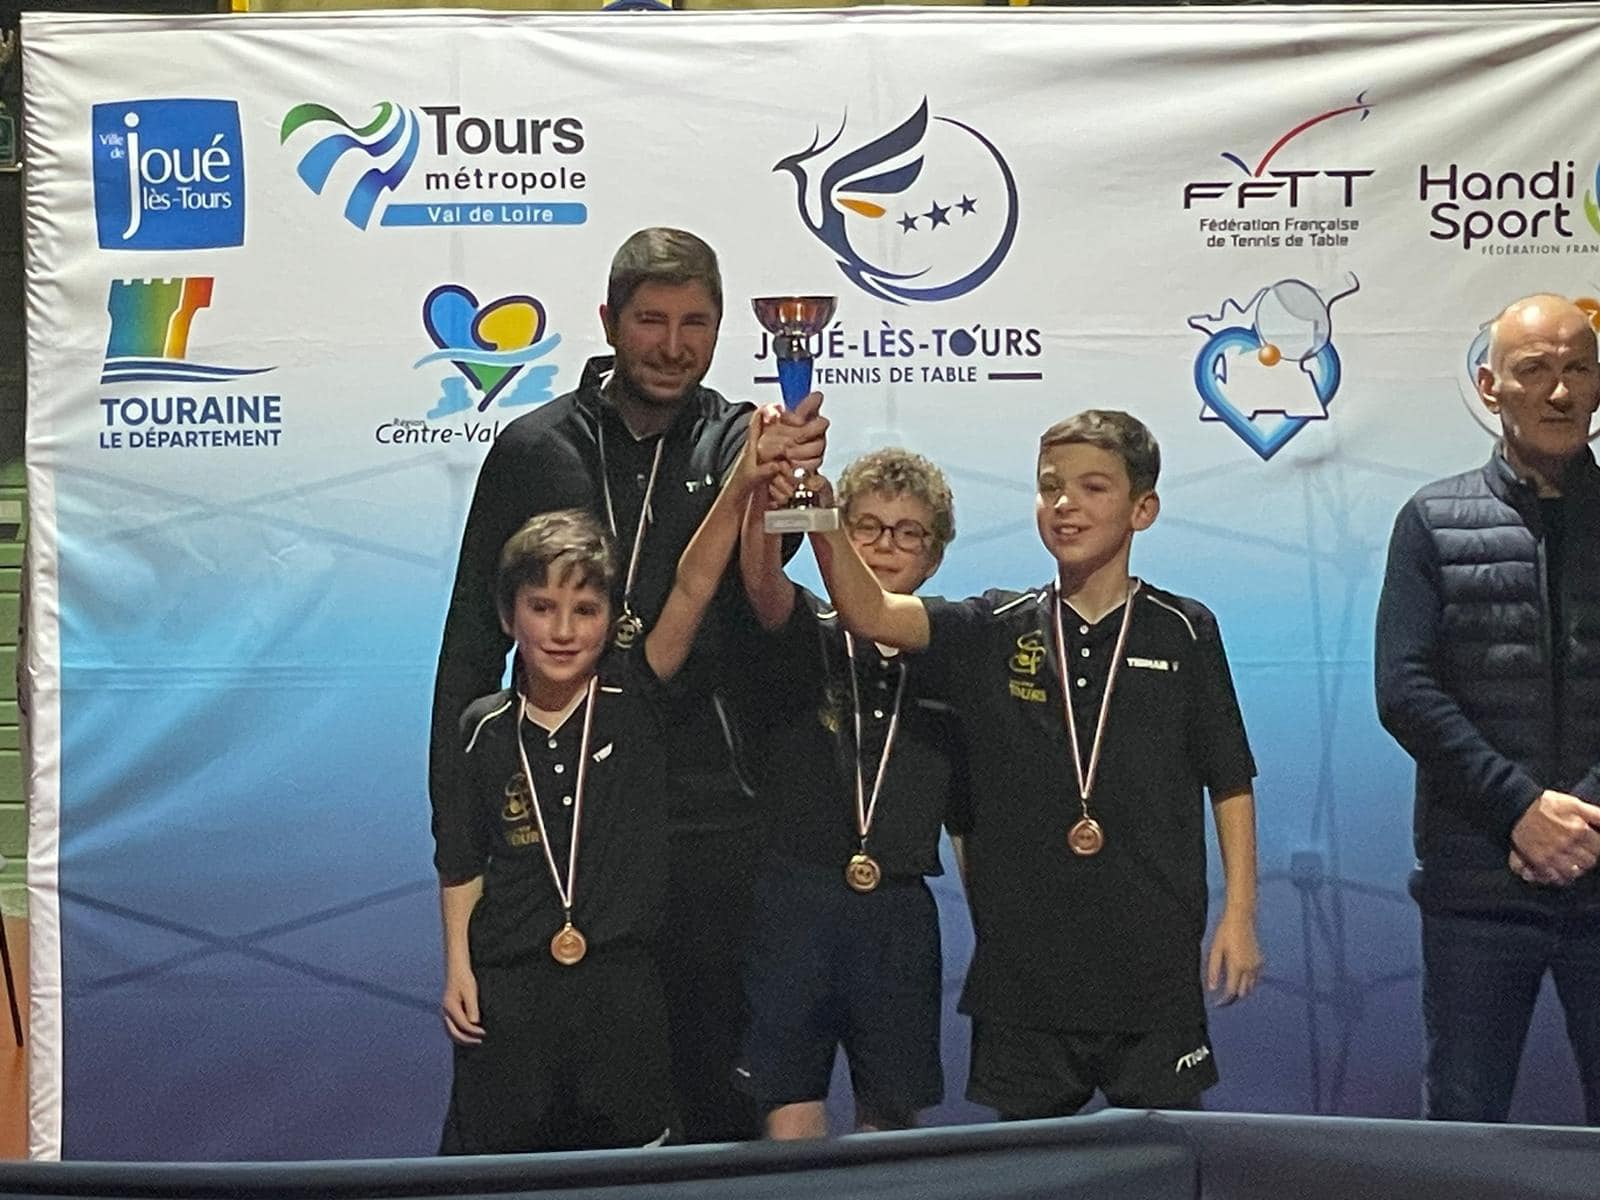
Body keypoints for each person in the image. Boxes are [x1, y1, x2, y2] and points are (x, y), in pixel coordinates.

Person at [429, 228, 825, 1142]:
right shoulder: (533, 448)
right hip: (555, 823)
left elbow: (768, 607)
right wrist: (457, 836)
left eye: (696, 324)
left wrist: (784, 489)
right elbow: (468, 649)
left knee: (710, 1091)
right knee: (525, 1097)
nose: (673, 345)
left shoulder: (747, 442)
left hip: (708, 816)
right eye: (652, 320)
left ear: (721, 329)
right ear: (609, 321)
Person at [801, 409, 1262, 1117]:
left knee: (1164, 1158)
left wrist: (1240, 916)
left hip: (1151, 968)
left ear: (1143, 509)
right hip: (1024, 979)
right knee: (1031, 1163)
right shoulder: (993, 626)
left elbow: (1229, 778)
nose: (1066, 503)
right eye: (1050, 487)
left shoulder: (1184, 629)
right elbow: (874, 614)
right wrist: (822, 516)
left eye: (1093, 488)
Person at [433, 413, 782, 1152]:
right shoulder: (481, 728)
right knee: (500, 1169)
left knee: (631, 1166)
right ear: (509, 616)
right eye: (542, 609)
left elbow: (692, 584)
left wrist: (742, 483)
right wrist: (458, 966)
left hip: (622, 992)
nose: (563, 631)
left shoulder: (636, 698)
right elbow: (461, 861)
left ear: (609, 619)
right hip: (508, 989)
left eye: (585, 611)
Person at [1376, 292, 1600, 1124]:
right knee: (1463, 1127)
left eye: (1578, 369)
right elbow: (1404, 689)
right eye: (1534, 370)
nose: (1559, 391)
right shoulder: (1432, 520)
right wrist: (1522, 810)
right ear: (1489, 386)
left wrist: (1584, 818)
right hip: (1477, 888)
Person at [733, 447, 970, 1138]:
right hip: (795, 901)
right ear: (832, 532)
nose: (886, 545)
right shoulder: (800, 626)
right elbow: (760, 580)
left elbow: (971, 819)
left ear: (934, 555)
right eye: (866, 526)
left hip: (898, 910)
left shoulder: (950, 648)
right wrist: (770, 495)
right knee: (788, 1104)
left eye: (908, 532)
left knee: (892, 1114)